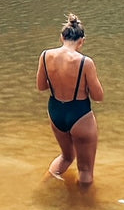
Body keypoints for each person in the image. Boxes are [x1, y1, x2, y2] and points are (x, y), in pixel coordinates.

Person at [36, 13, 104, 186]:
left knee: (66, 157)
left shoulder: (45, 56)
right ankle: (82, 209)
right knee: (85, 170)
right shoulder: (85, 62)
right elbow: (98, 97)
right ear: (82, 41)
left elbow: (41, 86)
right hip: (79, 113)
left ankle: (41, 188)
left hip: (56, 112)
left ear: (61, 37)